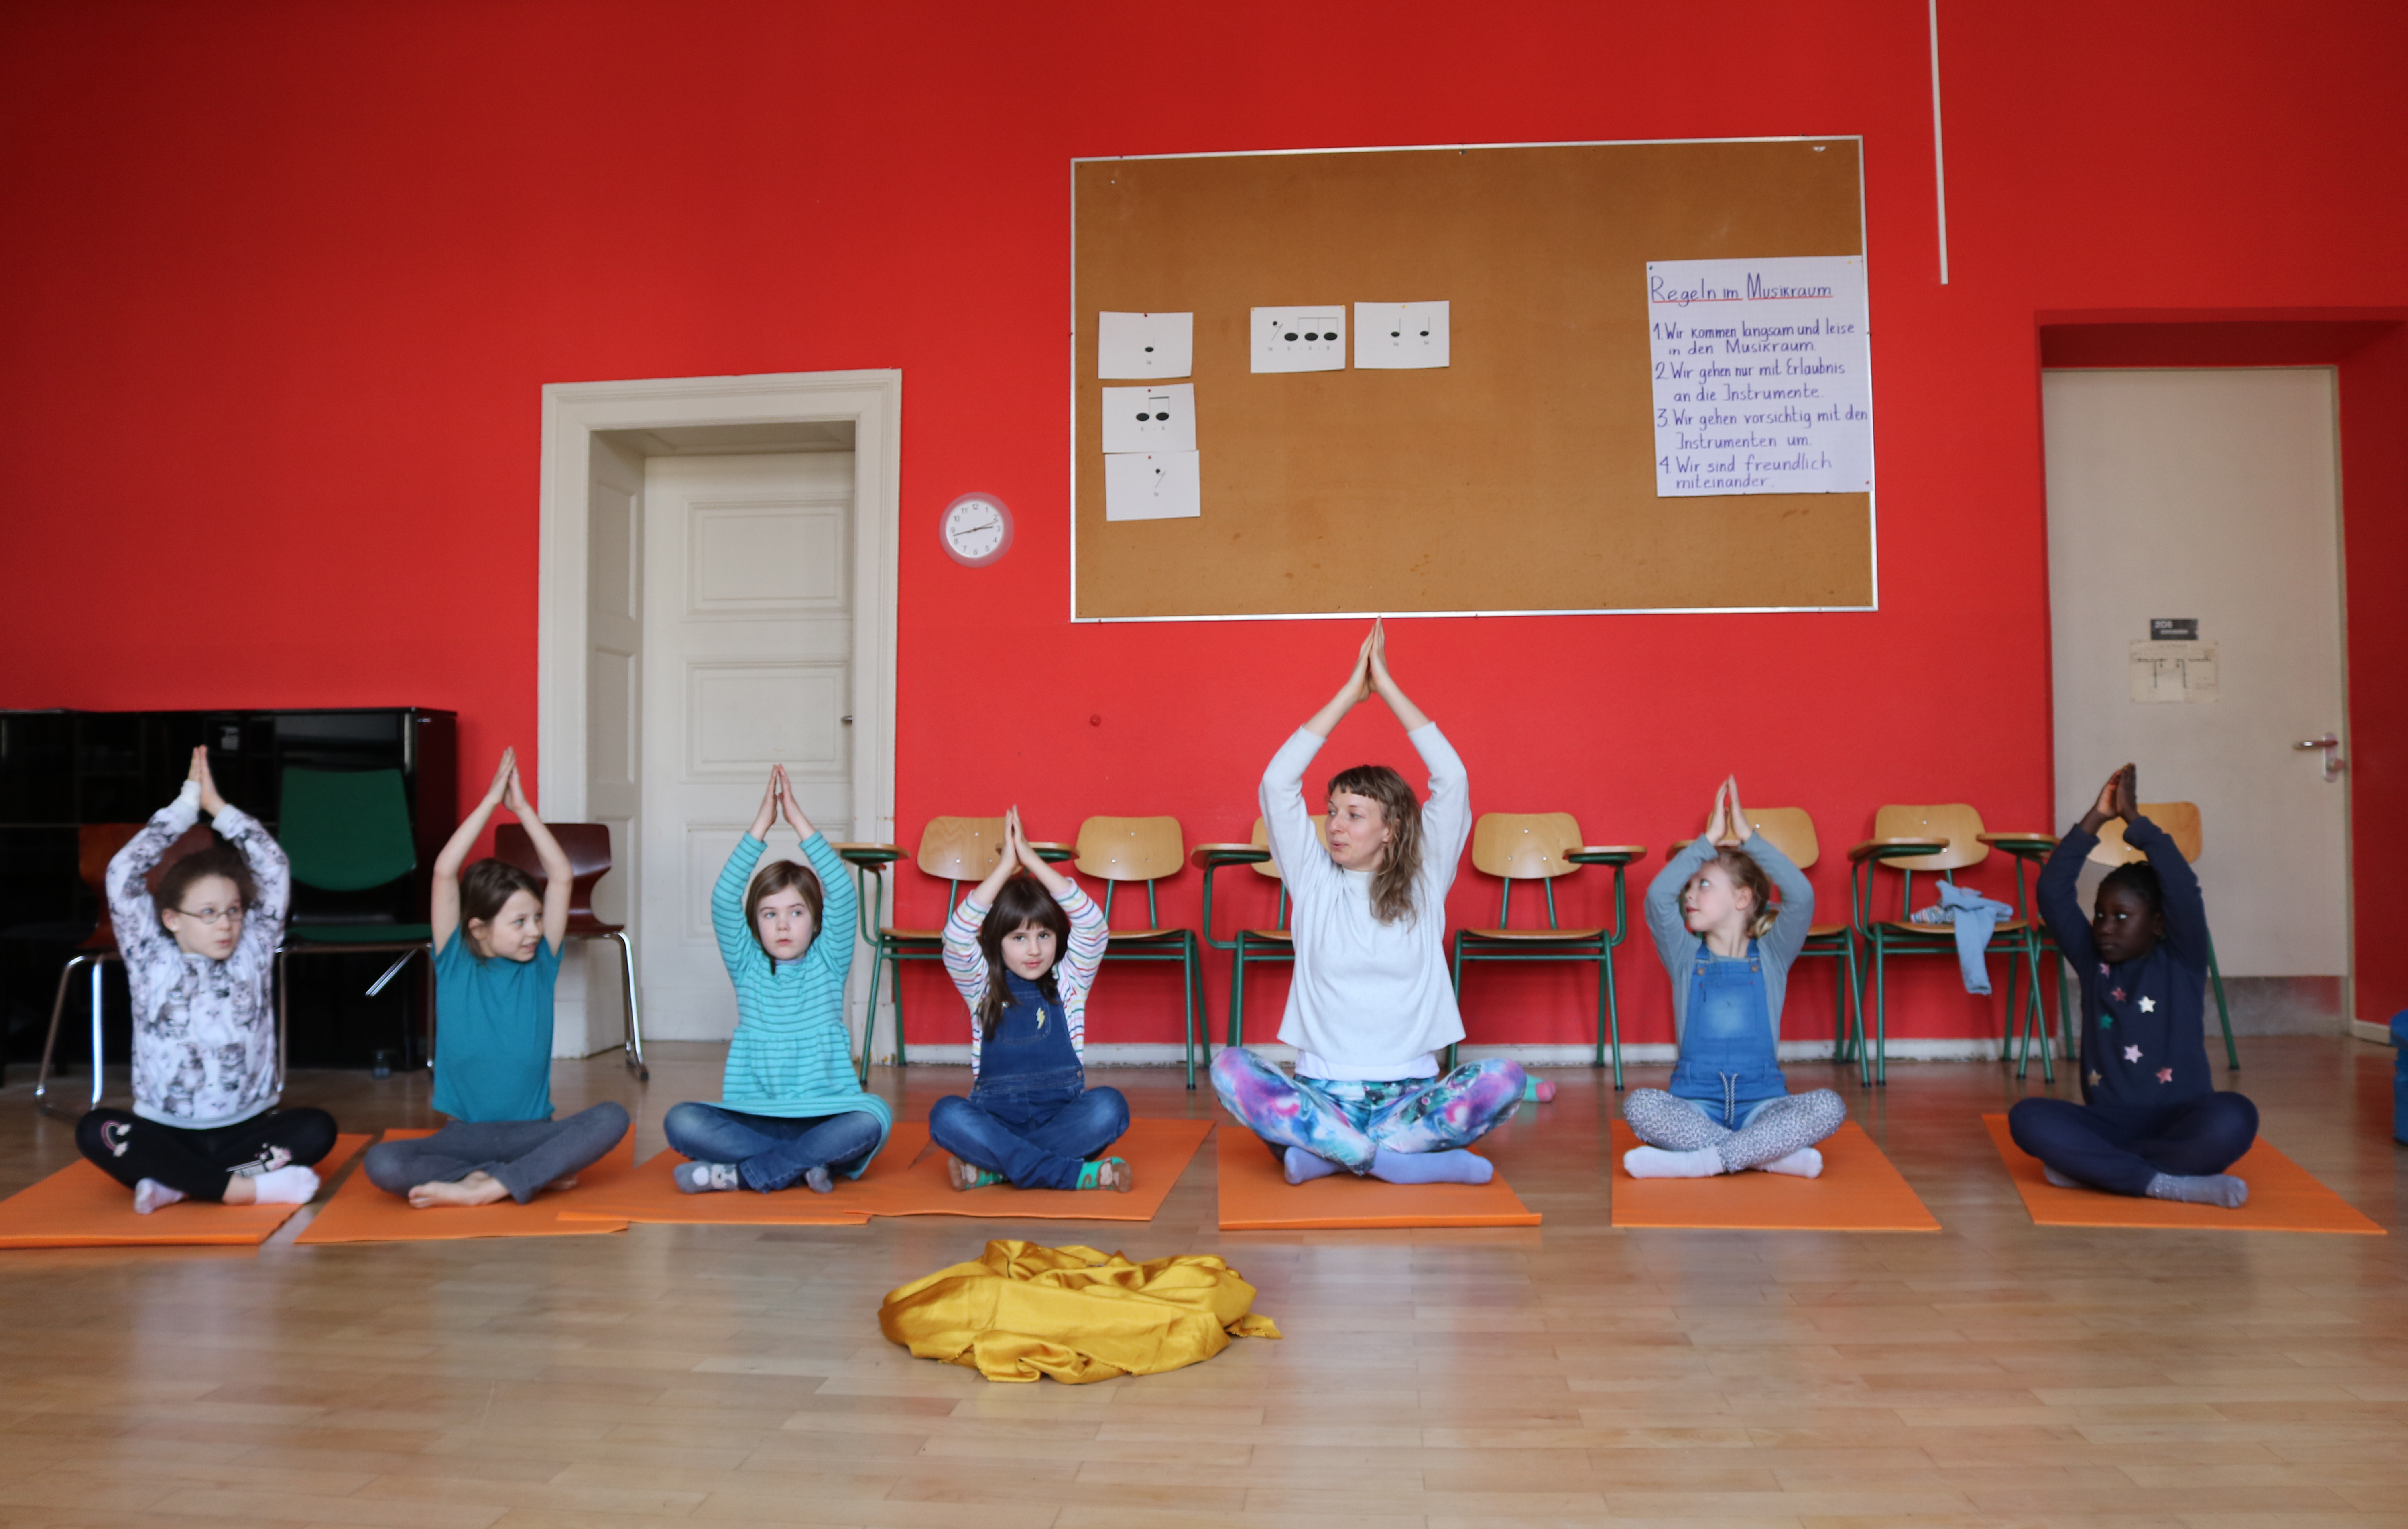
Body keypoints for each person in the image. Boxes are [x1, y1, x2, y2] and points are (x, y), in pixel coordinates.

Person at [1208, 620, 1530, 1187]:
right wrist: (1347, 696)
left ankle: (1335, 1155)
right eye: (1332, 811)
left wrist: (1386, 687)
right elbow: (1277, 782)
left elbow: (1451, 779)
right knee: (1231, 1068)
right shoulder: (1311, 879)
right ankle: (1397, 1164)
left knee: (1504, 1078)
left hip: (1409, 1100)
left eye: (1354, 814)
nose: (1335, 825)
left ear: (1390, 829)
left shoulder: (1426, 878)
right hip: (1322, 1094)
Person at [360, 748, 629, 1207]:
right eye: (520, 922)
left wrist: (522, 809)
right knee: (381, 1162)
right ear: (479, 929)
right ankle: (522, 1177)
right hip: (464, 1137)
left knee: (613, 1117)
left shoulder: (541, 964)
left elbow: (562, 877)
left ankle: (491, 1184)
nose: (535, 931)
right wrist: (489, 803)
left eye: (538, 918)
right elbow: (446, 871)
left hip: (532, 1134)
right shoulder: (454, 962)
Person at [75, 748, 336, 1213]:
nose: (226, 925)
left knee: (317, 1130)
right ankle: (237, 1188)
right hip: (165, 1129)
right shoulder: (149, 955)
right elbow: (122, 873)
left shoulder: (253, 948)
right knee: (94, 1131)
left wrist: (220, 810)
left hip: (248, 1128)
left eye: (234, 912)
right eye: (210, 914)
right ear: (172, 919)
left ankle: (179, 1183)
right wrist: (182, 811)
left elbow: (272, 867)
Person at [2007, 764, 2259, 1207]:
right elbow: (2053, 890)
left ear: (2159, 924)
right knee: (2027, 1117)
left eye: (2123, 917)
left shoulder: (2182, 958)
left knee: (2236, 1117)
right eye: (2101, 914)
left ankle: (2099, 1170)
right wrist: (2097, 817)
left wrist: (2133, 820)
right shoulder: (2092, 960)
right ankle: (2163, 1183)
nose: (2105, 927)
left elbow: (2183, 888)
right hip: (2107, 1122)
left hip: (2180, 1121)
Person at [663, 763, 891, 1192]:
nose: (783, 926)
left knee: (873, 1117)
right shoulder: (747, 967)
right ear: (756, 925)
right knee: (681, 1121)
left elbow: (842, 892)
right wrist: (762, 825)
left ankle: (743, 1175)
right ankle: (805, 1164)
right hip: (757, 1122)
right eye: (770, 915)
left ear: (816, 923)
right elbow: (723, 899)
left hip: (825, 1117)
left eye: (796, 913)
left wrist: (798, 820)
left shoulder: (828, 963)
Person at [1621, 776, 1846, 1179]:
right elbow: (1657, 898)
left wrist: (1748, 838)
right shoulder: (1686, 957)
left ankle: (1703, 1162)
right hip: (1694, 1103)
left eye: (1703, 885)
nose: (1689, 895)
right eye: (1689, 886)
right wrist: (1706, 843)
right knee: (1640, 1106)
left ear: (1743, 899)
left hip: (1764, 1105)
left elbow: (1802, 897)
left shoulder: (1773, 956)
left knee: (1830, 1106)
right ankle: (1768, 1156)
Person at [929, 807, 1130, 1191]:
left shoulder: (1071, 980)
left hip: (1063, 1118)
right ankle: (1071, 1175)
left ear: (1058, 938)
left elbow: (1093, 926)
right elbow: (956, 938)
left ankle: (998, 1168)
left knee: (1110, 1107)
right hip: (995, 1119)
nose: (1034, 950)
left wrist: (1032, 860)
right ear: (997, 944)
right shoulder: (981, 985)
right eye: (1018, 939)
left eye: (1044, 936)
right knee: (946, 1115)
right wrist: (1006, 867)